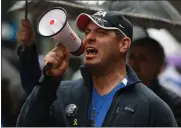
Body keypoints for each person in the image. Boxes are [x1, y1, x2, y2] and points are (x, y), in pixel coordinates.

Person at [16, 10, 177, 127]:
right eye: (87, 32)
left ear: (123, 44)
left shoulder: (152, 106)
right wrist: (49, 80)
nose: (89, 37)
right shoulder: (61, 93)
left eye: (101, 32)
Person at [127, 37, 181, 126]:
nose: (134, 64)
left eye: (142, 58)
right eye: (132, 56)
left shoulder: (172, 104)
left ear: (159, 67)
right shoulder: (115, 93)